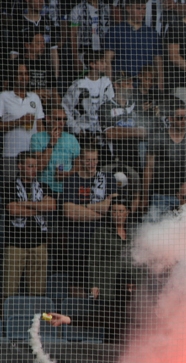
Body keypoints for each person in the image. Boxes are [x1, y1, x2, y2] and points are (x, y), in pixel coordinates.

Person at [3, 151, 55, 310]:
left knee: (38, 292)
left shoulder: (44, 186)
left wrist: (25, 204)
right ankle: (6, 323)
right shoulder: (9, 186)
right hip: (15, 246)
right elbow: (13, 210)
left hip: (39, 246)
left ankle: (36, 323)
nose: (34, 169)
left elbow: (51, 206)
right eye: (30, 165)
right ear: (20, 166)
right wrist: (39, 208)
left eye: (35, 166)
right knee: (8, 290)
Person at [62, 146, 116, 297]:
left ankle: (98, 313)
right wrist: (99, 210)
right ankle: (77, 315)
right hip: (78, 240)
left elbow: (111, 208)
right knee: (77, 283)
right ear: (80, 160)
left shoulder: (108, 178)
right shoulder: (71, 180)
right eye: (87, 160)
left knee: (100, 282)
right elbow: (69, 212)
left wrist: (82, 207)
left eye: (94, 160)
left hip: (102, 239)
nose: (91, 164)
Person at [88, 197, 142, 344]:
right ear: (110, 213)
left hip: (128, 289)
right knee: (111, 325)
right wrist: (94, 284)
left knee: (129, 324)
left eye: (121, 211)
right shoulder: (101, 232)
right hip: (107, 287)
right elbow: (93, 260)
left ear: (127, 213)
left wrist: (137, 283)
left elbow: (139, 260)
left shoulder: (133, 235)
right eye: (114, 211)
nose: (118, 214)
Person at [142, 100, 186, 217]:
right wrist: (145, 196)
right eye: (179, 118)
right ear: (170, 119)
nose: (184, 121)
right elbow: (148, 168)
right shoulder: (158, 138)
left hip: (184, 199)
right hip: (161, 194)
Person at [0, 61, 44, 179]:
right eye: (20, 74)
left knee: (32, 191)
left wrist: (41, 150)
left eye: (26, 74)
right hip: (11, 154)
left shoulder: (34, 97)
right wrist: (19, 122)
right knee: (10, 190)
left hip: (32, 155)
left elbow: (40, 125)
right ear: (13, 76)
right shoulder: (4, 96)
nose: (24, 77)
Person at [105, 0, 163, 84]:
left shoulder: (152, 34)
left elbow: (158, 62)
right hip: (123, 84)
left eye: (144, 9)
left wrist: (160, 86)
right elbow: (107, 60)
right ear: (128, 8)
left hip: (146, 86)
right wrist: (109, 85)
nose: (142, 12)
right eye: (138, 8)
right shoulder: (115, 31)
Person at [62, 51, 115, 142]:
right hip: (81, 133)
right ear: (92, 64)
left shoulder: (107, 84)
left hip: (102, 134)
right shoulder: (78, 85)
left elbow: (112, 107)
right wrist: (76, 129)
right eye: (102, 62)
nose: (105, 65)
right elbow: (65, 108)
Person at [29, 106, 79, 195]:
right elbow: (38, 167)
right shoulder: (36, 138)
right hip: (44, 187)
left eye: (64, 119)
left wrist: (67, 174)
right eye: (58, 119)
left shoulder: (72, 139)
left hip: (67, 188)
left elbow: (79, 165)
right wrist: (52, 142)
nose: (62, 123)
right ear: (48, 119)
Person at [68, 0, 112, 75]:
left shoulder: (107, 9)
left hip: (103, 54)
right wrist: (75, 57)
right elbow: (73, 35)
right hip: (85, 54)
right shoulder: (76, 10)